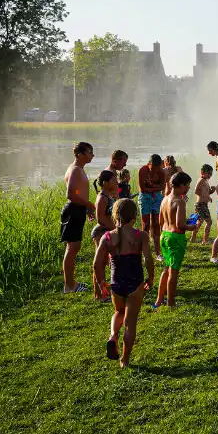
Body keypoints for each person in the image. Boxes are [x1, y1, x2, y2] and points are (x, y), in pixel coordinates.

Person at [92, 198, 154, 368]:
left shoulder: (107, 237)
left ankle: (113, 336)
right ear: (134, 216)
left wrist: (101, 283)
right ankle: (125, 360)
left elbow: (97, 264)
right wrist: (151, 277)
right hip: (135, 282)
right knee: (131, 321)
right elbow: (148, 258)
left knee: (119, 311)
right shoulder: (140, 235)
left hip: (116, 282)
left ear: (115, 215)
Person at [155, 171, 198, 308]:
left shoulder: (164, 199)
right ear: (181, 185)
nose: (189, 188)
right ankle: (171, 303)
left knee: (166, 269)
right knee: (173, 273)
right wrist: (193, 227)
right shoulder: (179, 202)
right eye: (187, 185)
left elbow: (161, 221)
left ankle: (159, 299)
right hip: (175, 238)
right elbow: (180, 225)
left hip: (164, 235)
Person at [62, 141, 96, 294]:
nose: (92, 155)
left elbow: (77, 192)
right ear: (80, 155)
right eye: (90, 152)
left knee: (74, 247)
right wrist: (88, 204)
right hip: (73, 210)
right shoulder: (75, 170)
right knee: (72, 247)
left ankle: (71, 282)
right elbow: (70, 194)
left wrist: (86, 207)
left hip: (78, 209)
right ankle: (69, 286)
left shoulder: (79, 169)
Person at [90, 170, 119, 300]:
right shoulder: (102, 198)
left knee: (107, 261)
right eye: (114, 180)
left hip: (108, 232)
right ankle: (99, 294)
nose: (117, 182)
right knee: (100, 263)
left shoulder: (109, 196)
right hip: (101, 233)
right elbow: (100, 219)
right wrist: (114, 228)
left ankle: (109, 289)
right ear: (106, 183)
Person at [138, 154, 166, 260]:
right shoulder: (142, 171)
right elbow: (142, 189)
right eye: (153, 169)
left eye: (157, 169)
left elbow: (163, 186)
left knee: (156, 224)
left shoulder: (162, 172)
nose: (155, 171)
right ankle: (145, 252)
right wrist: (155, 187)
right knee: (145, 225)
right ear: (148, 164)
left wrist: (151, 188)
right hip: (145, 198)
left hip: (157, 198)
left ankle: (158, 253)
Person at [193, 165, 214, 245]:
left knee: (199, 222)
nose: (210, 175)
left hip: (203, 205)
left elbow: (206, 192)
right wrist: (206, 197)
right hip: (200, 204)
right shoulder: (201, 180)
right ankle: (205, 240)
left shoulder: (206, 181)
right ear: (202, 172)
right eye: (208, 173)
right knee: (209, 222)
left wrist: (212, 191)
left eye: (211, 174)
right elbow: (196, 191)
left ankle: (193, 238)